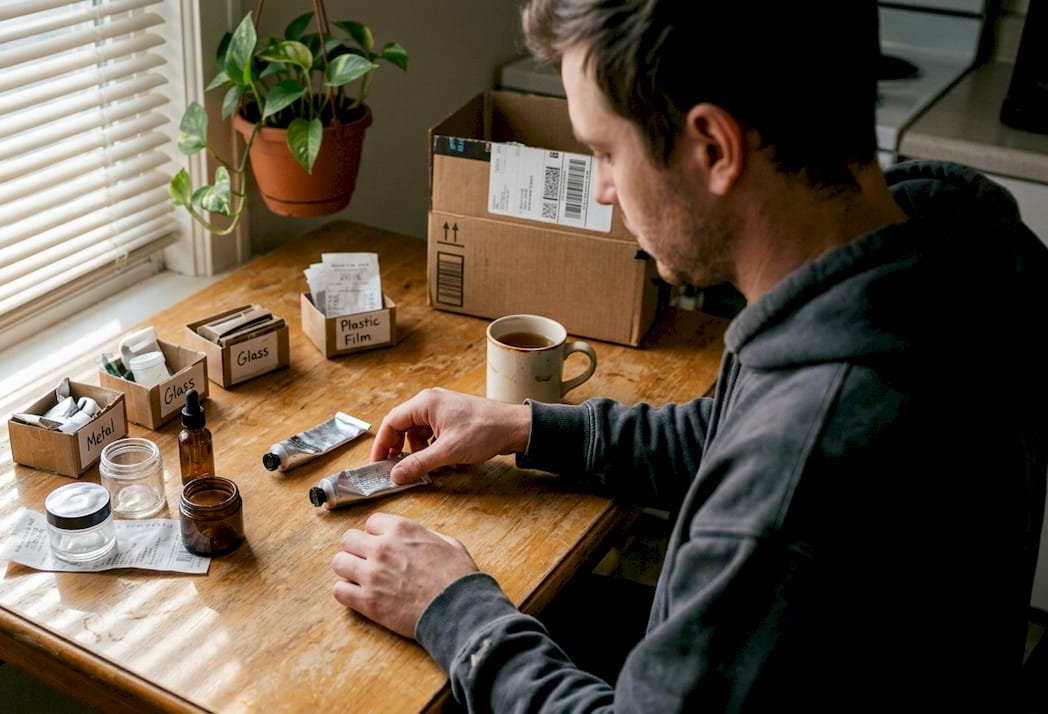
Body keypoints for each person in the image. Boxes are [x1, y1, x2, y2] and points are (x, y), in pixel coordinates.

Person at [329, 0, 1048, 711]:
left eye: (607, 153)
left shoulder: (798, 473)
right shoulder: (952, 244)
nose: (605, 190)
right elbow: (731, 435)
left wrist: (455, 612)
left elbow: (771, 470)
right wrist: (526, 426)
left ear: (714, 147)